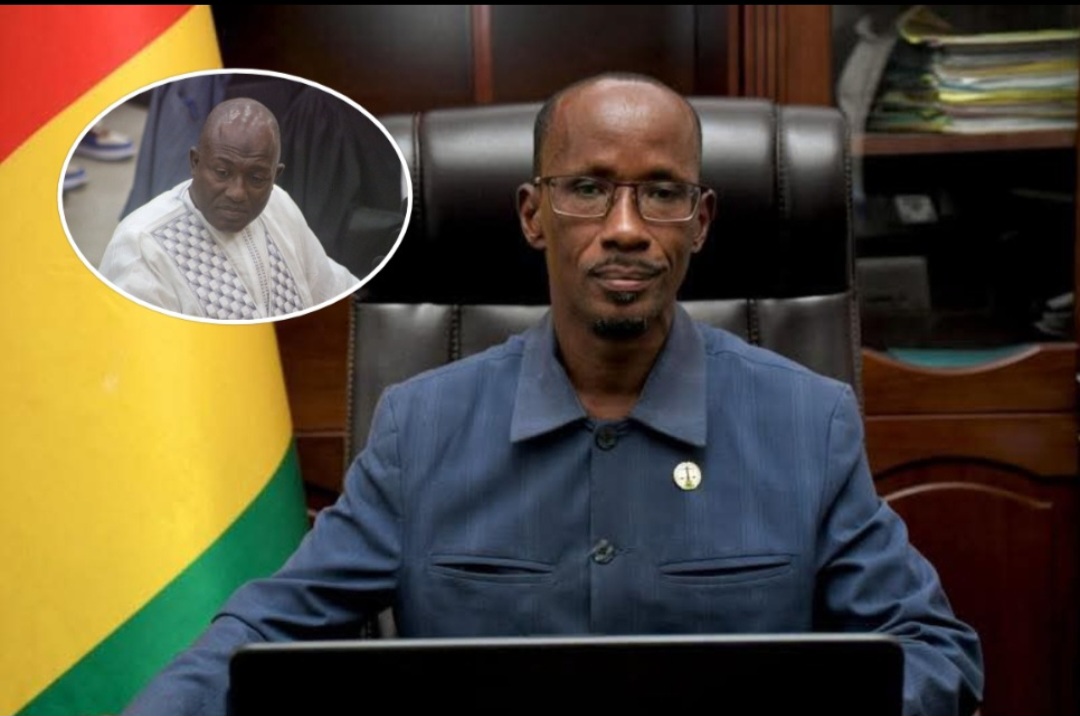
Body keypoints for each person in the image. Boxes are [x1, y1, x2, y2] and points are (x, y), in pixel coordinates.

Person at [123, 74, 984, 716]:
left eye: (661, 193)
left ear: (700, 222)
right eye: (588, 189)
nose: (625, 228)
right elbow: (260, 637)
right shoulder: (422, 429)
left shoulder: (805, 423)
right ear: (534, 215)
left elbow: (935, 652)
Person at [99, 98, 359, 320]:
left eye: (256, 178)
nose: (237, 193)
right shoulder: (142, 246)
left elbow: (333, 290)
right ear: (195, 162)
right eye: (222, 173)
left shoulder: (278, 204)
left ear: (275, 177)